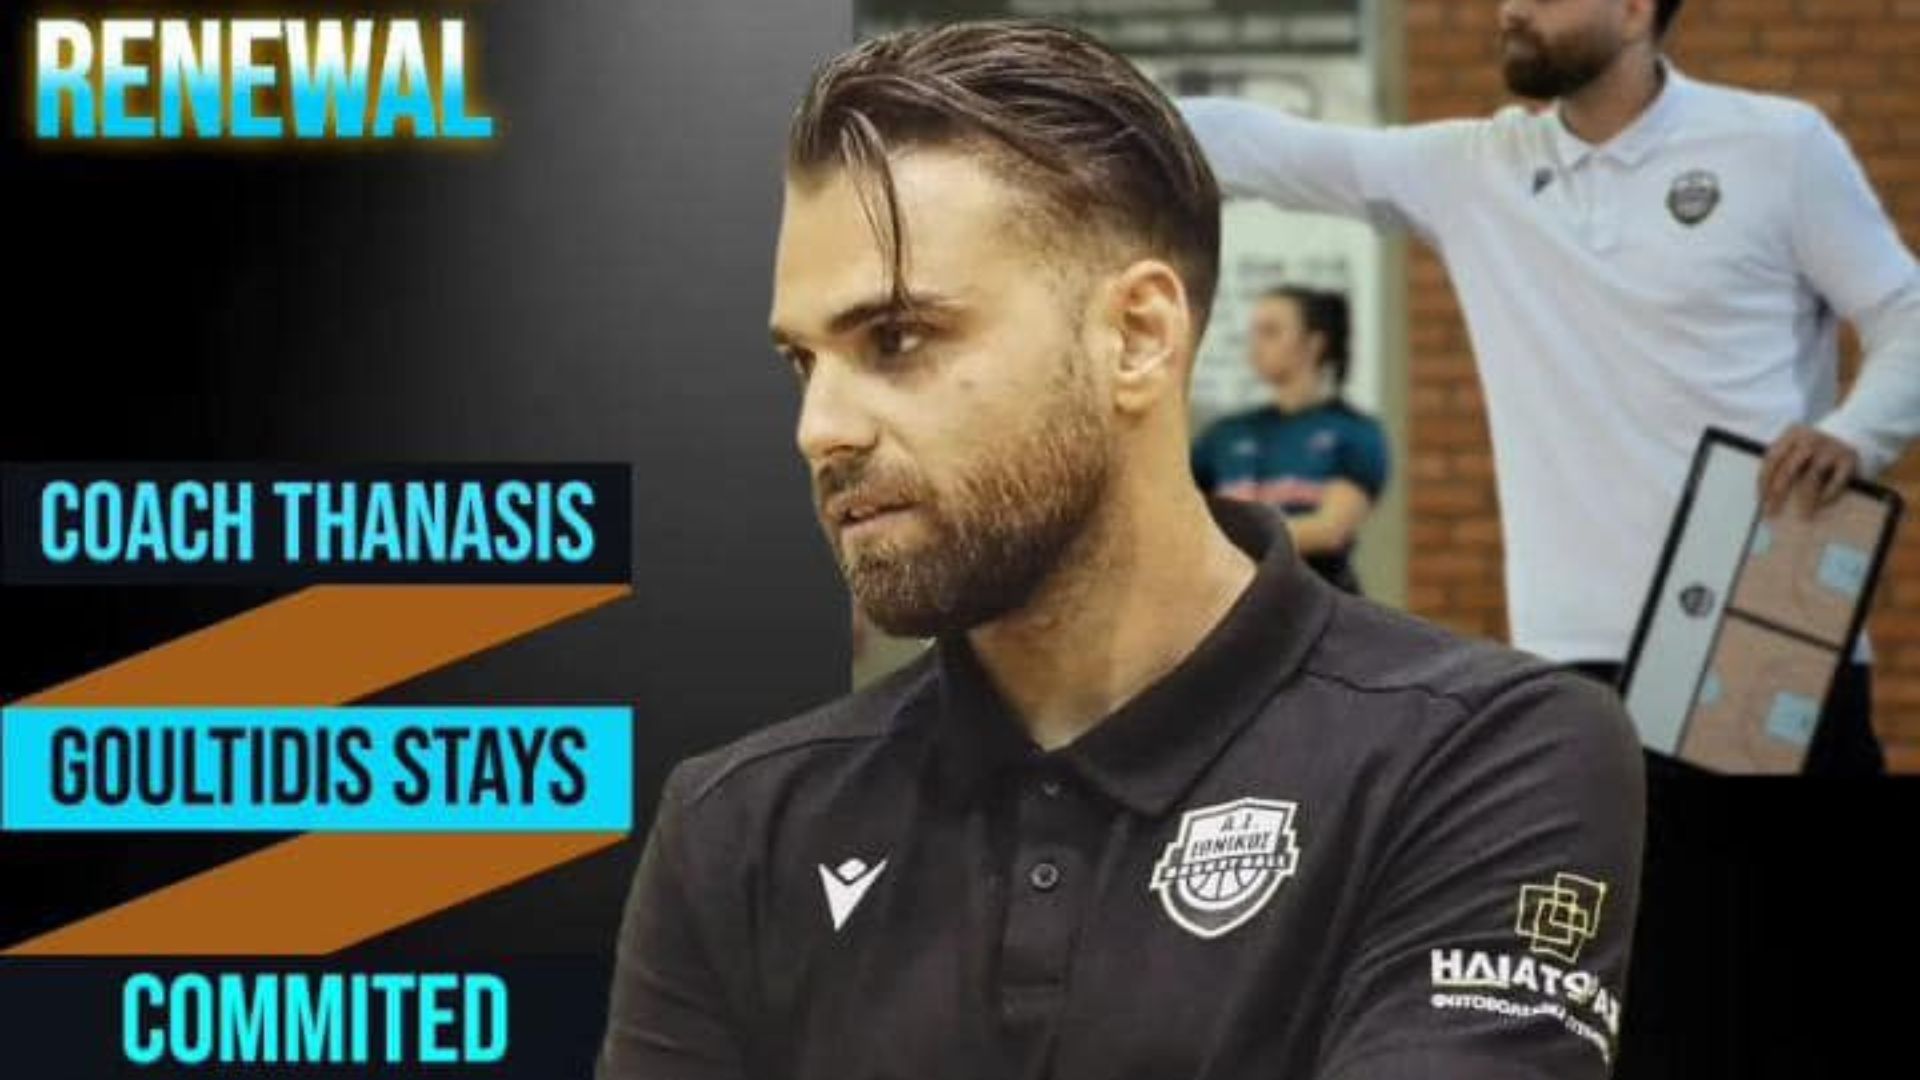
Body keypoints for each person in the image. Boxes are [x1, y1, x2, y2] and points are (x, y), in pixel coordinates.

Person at [599, 21, 1643, 1080]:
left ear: (1138, 336)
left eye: (897, 339)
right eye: (802, 362)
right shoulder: (738, 827)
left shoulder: (1481, 758)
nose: (819, 429)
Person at [1180, 0, 1920, 774]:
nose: (1512, 8)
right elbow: (1254, 144)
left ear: (1633, 11)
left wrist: (1854, 435)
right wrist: (1095, 93)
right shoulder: (1476, 169)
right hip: (1570, 648)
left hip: (1758, 619)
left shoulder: (1779, 147)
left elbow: (1905, 316)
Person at [1192, 287, 1389, 594]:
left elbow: (1329, 530)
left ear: (1313, 344)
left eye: (1271, 332)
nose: (1255, 345)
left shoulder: (1354, 431)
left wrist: (1228, 544)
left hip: (1320, 600)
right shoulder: (1225, 434)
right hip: (1237, 603)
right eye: (1254, 332)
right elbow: (1183, 513)